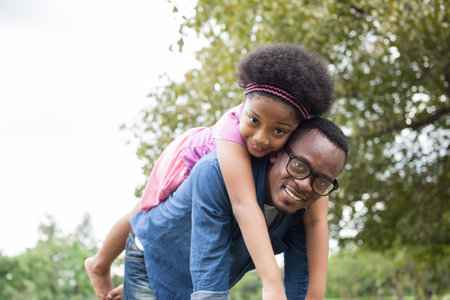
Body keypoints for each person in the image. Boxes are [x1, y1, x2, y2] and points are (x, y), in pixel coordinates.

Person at [84, 43, 334, 300]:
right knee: (144, 211)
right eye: (254, 121)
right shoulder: (231, 135)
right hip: (182, 161)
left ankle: (150, 278)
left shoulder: (304, 164)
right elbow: (244, 205)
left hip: (183, 238)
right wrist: (271, 283)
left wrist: (315, 294)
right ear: (243, 104)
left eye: (278, 131)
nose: (260, 138)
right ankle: (100, 263)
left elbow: (316, 221)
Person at [124, 117, 349, 299]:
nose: (304, 184)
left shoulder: (302, 212)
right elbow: (209, 276)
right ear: (276, 153)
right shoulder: (215, 173)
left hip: (193, 281)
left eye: (320, 181)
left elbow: (300, 286)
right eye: (299, 165)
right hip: (153, 259)